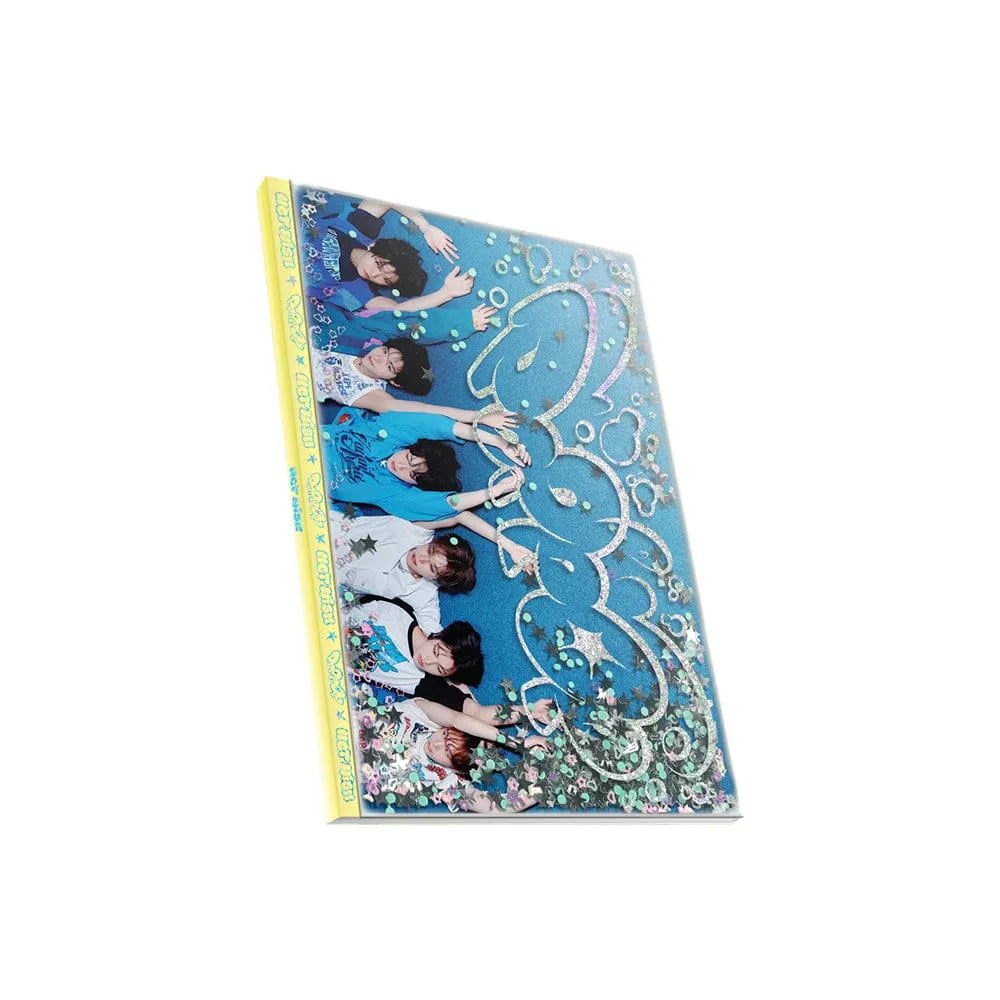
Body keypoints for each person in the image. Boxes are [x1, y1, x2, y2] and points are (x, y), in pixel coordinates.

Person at [343, 595, 554, 729]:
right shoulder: (401, 610)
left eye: (440, 669)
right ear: (438, 635)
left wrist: (528, 710)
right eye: (437, 650)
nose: (427, 661)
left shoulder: (425, 684)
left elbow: (479, 713)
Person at [320, 407, 530, 523]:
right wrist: (499, 442)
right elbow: (441, 426)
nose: (400, 466)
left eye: (413, 475)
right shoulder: (390, 432)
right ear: (411, 448)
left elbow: (449, 504)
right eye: (410, 459)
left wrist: (495, 491)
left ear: (416, 485)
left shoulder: (392, 494)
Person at [358, 695, 550, 814]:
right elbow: (457, 718)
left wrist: (539, 787)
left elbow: (498, 808)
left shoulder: (446, 780)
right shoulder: (421, 714)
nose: (436, 744)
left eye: (447, 752)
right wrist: (518, 742)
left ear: (458, 769)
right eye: (445, 735)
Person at [300, 193, 479, 316]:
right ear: (373, 247)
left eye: (385, 280)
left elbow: (398, 309)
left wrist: (446, 293)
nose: (374, 274)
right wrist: (425, 226)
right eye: (379, 264)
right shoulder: (360, 229)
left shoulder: (358, 289)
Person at [328, 511, 476, 633]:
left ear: (436, 580)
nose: (422, 558)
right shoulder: (417, 531)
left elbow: (434, 634)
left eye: (432, 568)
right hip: (330, 532)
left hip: (328, 579)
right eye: (431, 550)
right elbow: (457, 513)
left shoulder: (424, 594)